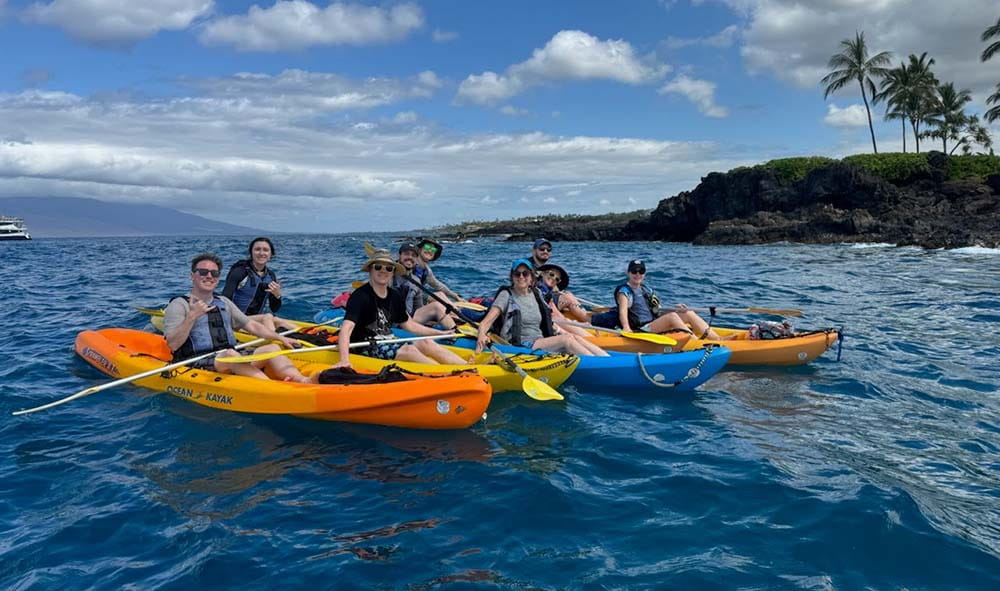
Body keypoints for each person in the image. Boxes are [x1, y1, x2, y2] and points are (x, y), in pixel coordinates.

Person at [163, 253, 311, 382]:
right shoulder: (179, 305)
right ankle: (270, 387)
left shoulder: (223, 302)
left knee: (271, 348)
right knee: (230, 354)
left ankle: (303, 381)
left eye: (214, 273)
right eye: (203, 272)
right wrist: (192, 316)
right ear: (192, 276)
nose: (209, 276)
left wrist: (281, 338)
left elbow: (252, 326)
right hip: (195, 360)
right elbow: (173, 344)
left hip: (229, 357)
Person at [333, 248, 469, 369]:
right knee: (409, 350)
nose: (383, 271)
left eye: (388, 268)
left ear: (393, 272)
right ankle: (448, 375)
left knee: (426, 342)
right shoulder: (360, 296)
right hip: (366, 345)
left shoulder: (394, 295)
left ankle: (468, 368)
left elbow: (409, 324)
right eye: (378, 267)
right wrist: (344, 360)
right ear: (370, 269)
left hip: (388, 340)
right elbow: (347, 328)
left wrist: (440, 333)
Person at [475, 259, 608, 357]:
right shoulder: (506, 295)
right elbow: (486, 322)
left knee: (572, 337)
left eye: (525, 273)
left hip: (540, 340)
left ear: (531, 277)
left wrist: (563, 331)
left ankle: (607, 360)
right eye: (517, 274)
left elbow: (549, 322)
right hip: (520, 344)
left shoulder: (536, 294)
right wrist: (481, 335)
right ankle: (600, 366)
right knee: (566, 340)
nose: (521, 277)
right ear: (512, 277)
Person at [592, 259, 726, 340]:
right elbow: (622, 312)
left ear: (644, 273)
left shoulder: (646, 290)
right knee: (672, 317)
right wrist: (626, 328)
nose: (638, 274)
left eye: (641, 271)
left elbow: (657, 310)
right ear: (628, 273)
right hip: (641, 329)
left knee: (686, 312)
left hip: (653, 323)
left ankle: (718, 338)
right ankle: (695, 342)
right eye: (634, 271)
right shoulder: (624, 292)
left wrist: (676, 308)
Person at [222, 237, 296, 332]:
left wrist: (277, 295)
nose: (261, 253)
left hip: (254, 320)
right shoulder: (239, 272)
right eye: (257, 249)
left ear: (271, 255)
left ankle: (312, 337)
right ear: (251, 253)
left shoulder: (270, 275)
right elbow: (225, 299)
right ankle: (275, 341)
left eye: (265, 250)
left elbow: (274, 308)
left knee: (278, 321)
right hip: (235, 322)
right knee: (267, 317)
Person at [394, 242, 457, 330]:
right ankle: (456, 318)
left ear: (416, 258)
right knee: (438, 300)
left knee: (437, 304)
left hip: (410, 317)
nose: (410, 257)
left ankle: (454, 330)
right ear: (399, 255)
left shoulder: (417, 279)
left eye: (413, 255)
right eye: (406, 254)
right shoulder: (389, 273)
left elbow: (418, 307)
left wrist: (427, 317)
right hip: (394, 320)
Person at [526, 238, 589, 322]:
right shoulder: (525, 266)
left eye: (548, 250)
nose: (545, 251)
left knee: (567, 294)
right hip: (536, 303)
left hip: (544, 299)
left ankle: (585, 317)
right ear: (534, 251)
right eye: (542, 249)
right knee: (567, 298)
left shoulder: (541, 269)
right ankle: (589, 320)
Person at [414, 237, 464, 303]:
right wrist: (430, 298)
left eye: (433, 249)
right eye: (427, 247)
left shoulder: (427, 270)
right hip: (409, 299)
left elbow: (438, 285)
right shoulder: (411, 263)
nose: (430, 250)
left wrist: (455, 296)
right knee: (440, 300)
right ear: (420, 249)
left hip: (418, 297)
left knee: (444, 297)